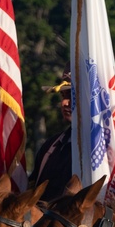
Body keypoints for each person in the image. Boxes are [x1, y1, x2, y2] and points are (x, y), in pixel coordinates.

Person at [29, 71, 73, 202]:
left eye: (72, 95)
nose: (64, 103)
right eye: (63, 96)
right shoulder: (51, 145)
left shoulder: (108, 148)